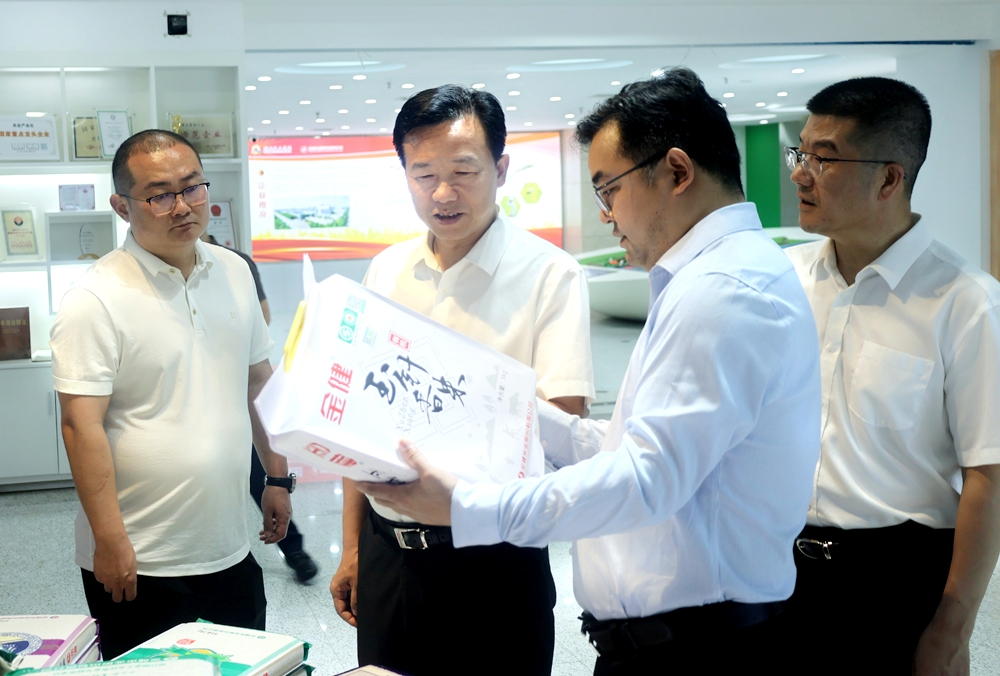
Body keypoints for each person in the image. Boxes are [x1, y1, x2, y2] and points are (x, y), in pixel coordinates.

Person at [358, 68, 822, 676]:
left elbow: (645, 479)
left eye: (609, 189)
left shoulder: (722, 291)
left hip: (699, 644)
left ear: (677, 172)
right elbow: (637, 445)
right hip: (677, 636)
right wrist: (491, 405)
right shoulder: (709, 278)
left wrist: (472, 506)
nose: (606, 215)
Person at [329, 84, 595, 676]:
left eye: (463, 172)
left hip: (494, 562)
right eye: (423, 175)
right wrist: (352, 548)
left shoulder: (550, 275)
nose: (443, 194)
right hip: (388, 555)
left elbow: (560, 433)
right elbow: (358, 426)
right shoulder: (386, 270)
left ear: (500, 169)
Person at [780, 77, 1000, 676]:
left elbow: (989, 476)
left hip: (895, 583)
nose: (799, 174)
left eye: (823, 159)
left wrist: (952, 630)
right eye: (800, 152)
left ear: (888, 179)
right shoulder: (784, 281)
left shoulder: (966, 302)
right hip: (776, 571)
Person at [50, 130, 293, 659]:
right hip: (140, 558)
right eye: (159, 195)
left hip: (229, 547)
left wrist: (277, 477)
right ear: (122, 206)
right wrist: (109, 540)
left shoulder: (234, 271)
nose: (182, 206)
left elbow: (259, 380)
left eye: (192, 187)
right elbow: (80, 426)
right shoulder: (94, 297)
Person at [202, 232, 319, 584]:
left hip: (237, 383)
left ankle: (293, 548)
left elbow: (262, 315)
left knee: (259, 468)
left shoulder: (237, 265)